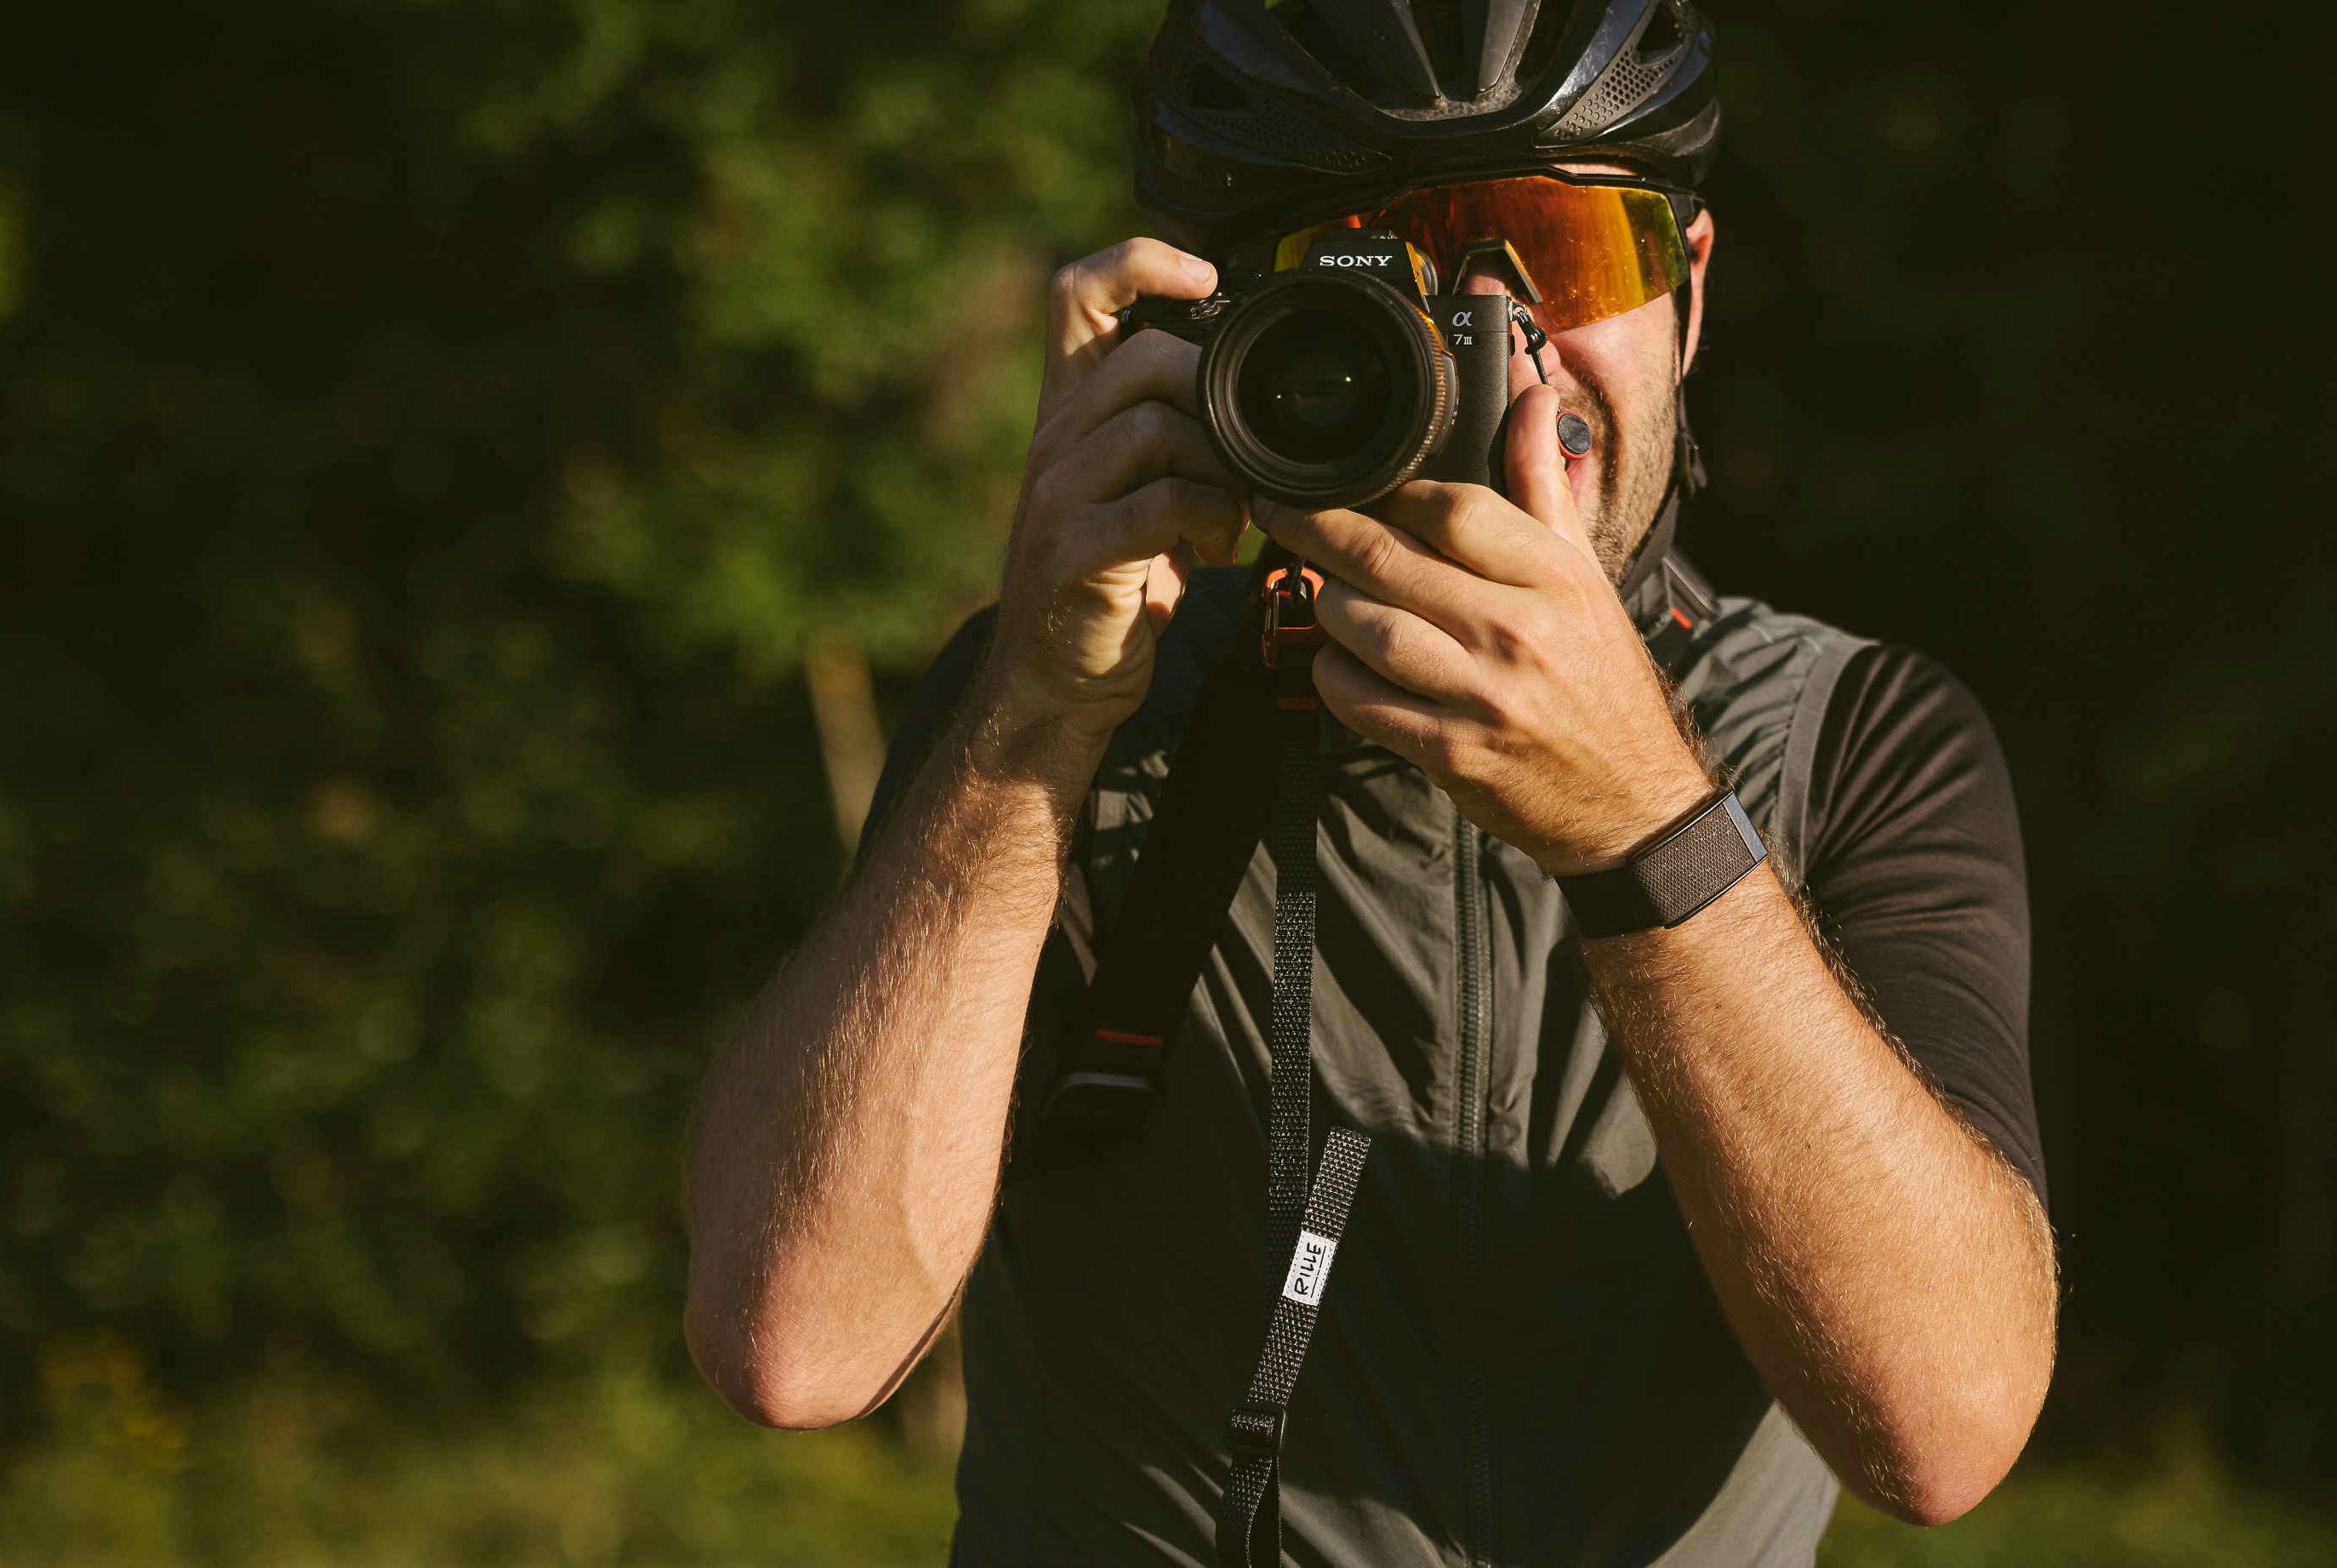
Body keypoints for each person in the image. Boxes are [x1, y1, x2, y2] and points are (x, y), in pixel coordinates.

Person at [683, 1, 2058, 1562]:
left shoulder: (1850, 739)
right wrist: (1029, 722)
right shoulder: (1072, 704)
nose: (1501, 334)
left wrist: (1642, 827)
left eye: (1565, 243)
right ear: (1216, 328)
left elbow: (1942, 1428)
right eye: (1382, 259)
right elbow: (794, 1344)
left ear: (1687, 288)